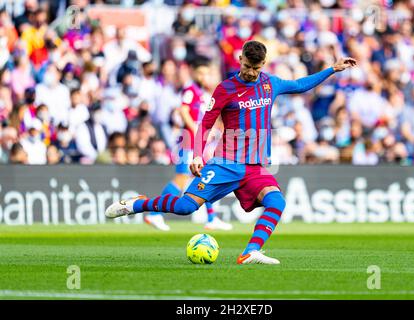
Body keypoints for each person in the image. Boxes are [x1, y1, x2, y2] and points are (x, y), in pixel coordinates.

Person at [106, 41, 357, 265]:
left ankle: (250, 252)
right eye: (247, 66)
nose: (250, 72)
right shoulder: (225, 88)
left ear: (263, 65)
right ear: (240, 59)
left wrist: (332, 69)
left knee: (277, 202)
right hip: (226, 162)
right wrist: (197, 154)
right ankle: (136, 204)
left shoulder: (271, 83)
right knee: (184, 207)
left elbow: (301, 85)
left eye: (256, 68)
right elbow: (205, 122)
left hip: (255, 167)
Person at [144, 57, 232, 232]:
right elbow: (183, 111)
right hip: (188, 143)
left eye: (206, 73)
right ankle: (154, 214)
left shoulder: (201, 93)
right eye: (201, 73)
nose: (203, 76)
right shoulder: (190, 90)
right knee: (181, 179)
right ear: (194, 73)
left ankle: (212, 218)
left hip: (197, 145)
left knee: (205, 179)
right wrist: (197, 131)